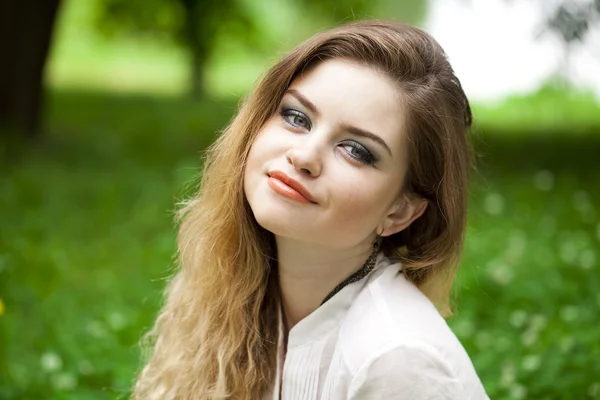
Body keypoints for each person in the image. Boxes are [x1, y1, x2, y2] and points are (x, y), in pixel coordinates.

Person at [132, 20, 489, 400]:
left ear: (399, 212)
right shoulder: (243, 291)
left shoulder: (397, 360)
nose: (303, 156)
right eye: (296, 117)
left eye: (356, 150)